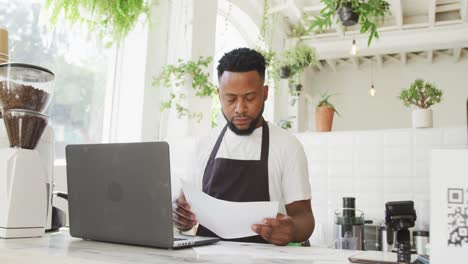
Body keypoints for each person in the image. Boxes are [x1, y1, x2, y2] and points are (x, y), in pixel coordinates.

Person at [172, 48, 314, 246]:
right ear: (218, 94)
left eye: (249, 98)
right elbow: (187, 215)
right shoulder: (203, 146)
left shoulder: (287, 146)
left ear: (264, 93)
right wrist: (181, 218)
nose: (240, 108)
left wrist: (292, 230)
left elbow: (304, 218)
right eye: (230, 99)